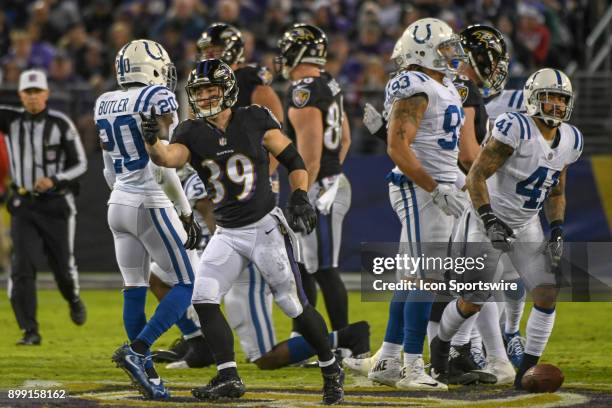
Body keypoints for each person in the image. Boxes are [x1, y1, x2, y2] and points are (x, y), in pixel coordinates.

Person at [139, 58, 345, 405]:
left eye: (210, 91)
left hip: (265, 226)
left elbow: (294, 160)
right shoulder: (190, 131)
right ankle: (228, 375)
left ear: (228, 90)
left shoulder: (254, 118)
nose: (204, 98)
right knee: (204, 297)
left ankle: (330, 366)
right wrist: (152, 142)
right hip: (227, 232)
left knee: (292, 303)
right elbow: (169, 158)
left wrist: (298, 195)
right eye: (199, 92)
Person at [429, 68, 582, 390]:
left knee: (546, 292)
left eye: (561, 98)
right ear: (532, 98)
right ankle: (441, 348)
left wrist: (556, 227)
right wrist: (488, 218)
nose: (555, 105)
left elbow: (556, 190)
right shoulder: (515, 126)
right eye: (549, 97)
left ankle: (525, 371)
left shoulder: (571, 138)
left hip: (526, 224)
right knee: (474, 300)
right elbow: (475, 176)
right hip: (486, 220)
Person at [152, 22, 286, 366]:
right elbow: (189, 141)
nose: (210, 56)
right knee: (171, 273)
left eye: (217, 51)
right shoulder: (200, 87)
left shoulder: (252, 84)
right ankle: (199, 338)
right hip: (206, 180)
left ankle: (334, 341)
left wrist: (257, 182)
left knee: (282, 290)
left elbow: (274, 139)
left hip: (244, 196)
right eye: (206, 51)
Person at [354, 18, 470, 390]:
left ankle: (388, 359)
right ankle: (412, 367)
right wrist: (436, 187)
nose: (452, 54)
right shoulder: (415, 83)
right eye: (444, 48)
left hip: (433, 186)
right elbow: (398, 146)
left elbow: (426, 137)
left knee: (411, 277)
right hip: (419, 188)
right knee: (426, 275)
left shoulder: (442, 84)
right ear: (423, 51)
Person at [95, 39, 200, 399]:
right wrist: (185, 211)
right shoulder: (155, 98)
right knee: (187, 282)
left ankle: (150, 378)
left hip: (117, 202)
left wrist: (122, 193)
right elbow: (163, 162)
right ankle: (139, 351)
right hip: (148, 202)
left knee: (134, 288)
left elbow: (109, 168)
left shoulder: (104, 102)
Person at [0, 69, 87, 346]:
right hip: (23, 203)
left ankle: (72, 298)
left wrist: (55, 179)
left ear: (47, 94)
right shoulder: (11, 120)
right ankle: (30, 330)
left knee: (62, 267)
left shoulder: (61, 123)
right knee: (21, 266)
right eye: (28, 92)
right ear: (20, 95)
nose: (33, 97)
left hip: (56, 204)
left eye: (38, 92)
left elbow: (80, 164)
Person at [277, 23, 352, 333]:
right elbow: (345, 139)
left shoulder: (304, 91)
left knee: (323, 268)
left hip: (319, 187)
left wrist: (303, 194)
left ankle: (346, 343)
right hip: (328, 182)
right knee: (305, 264)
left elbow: (311, 158)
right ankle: (307, 335)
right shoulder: (329, 83)